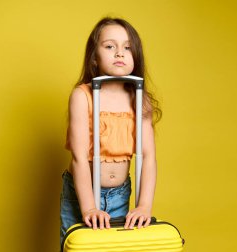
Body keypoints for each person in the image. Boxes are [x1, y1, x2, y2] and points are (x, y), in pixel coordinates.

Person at [60, 17, 161, 245]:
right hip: (80, 194)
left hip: (120, 193)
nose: (119, 53)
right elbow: (79, 158)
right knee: (79, 246)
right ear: (94, 58)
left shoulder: (139, 99)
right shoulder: (82, 96)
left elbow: (148, 156)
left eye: (127, 47)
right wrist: (89, 208)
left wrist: (144, 205)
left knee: (113, 247)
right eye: (109, 46)